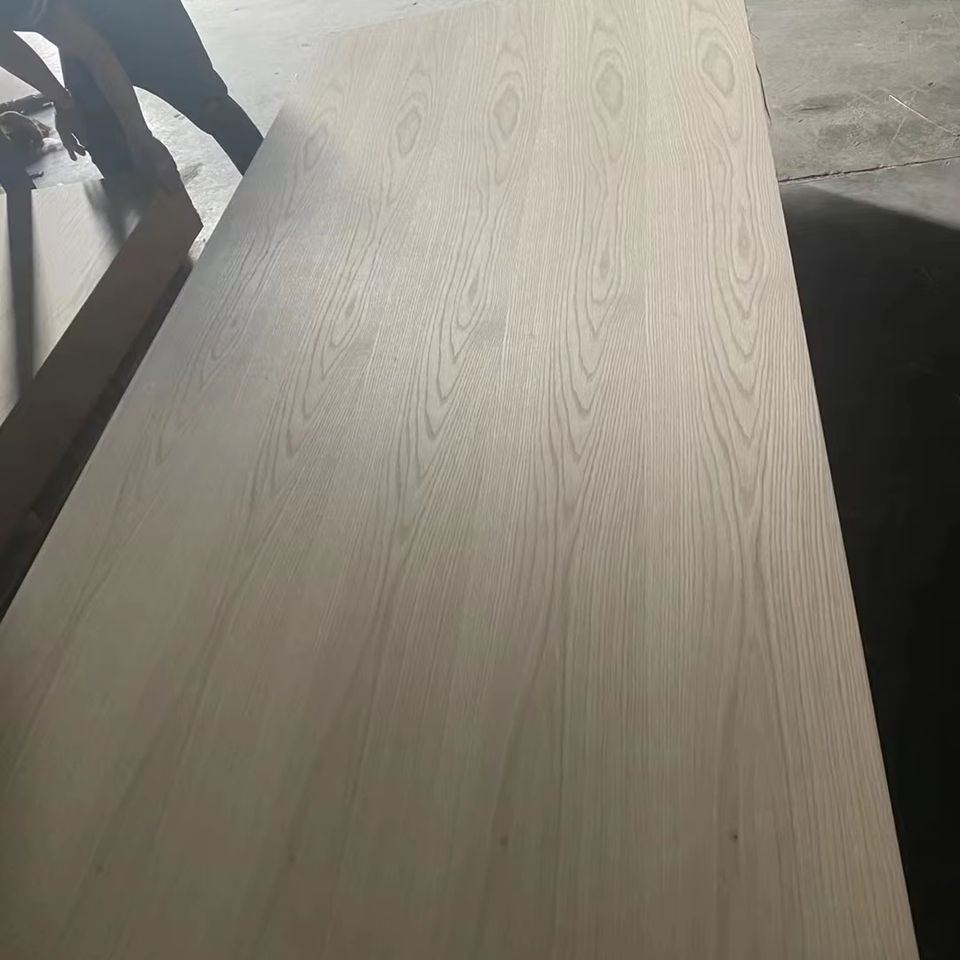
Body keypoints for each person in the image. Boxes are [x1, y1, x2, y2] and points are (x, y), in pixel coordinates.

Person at [62, 0, 262, 177]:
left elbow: (97, 54)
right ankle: (158, 206)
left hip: (142, 12)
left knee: (211, 106)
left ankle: (272, 189)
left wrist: (139, 135)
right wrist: (62, 101)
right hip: (69, 21)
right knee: (103, 143)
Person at [0, 0, 179, 189]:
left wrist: (140, 135)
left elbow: (94, 51)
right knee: (102, 139)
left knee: (196, 97)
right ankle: (149, 194)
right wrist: (62, 101)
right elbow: (6, 47)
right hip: (62, 15)